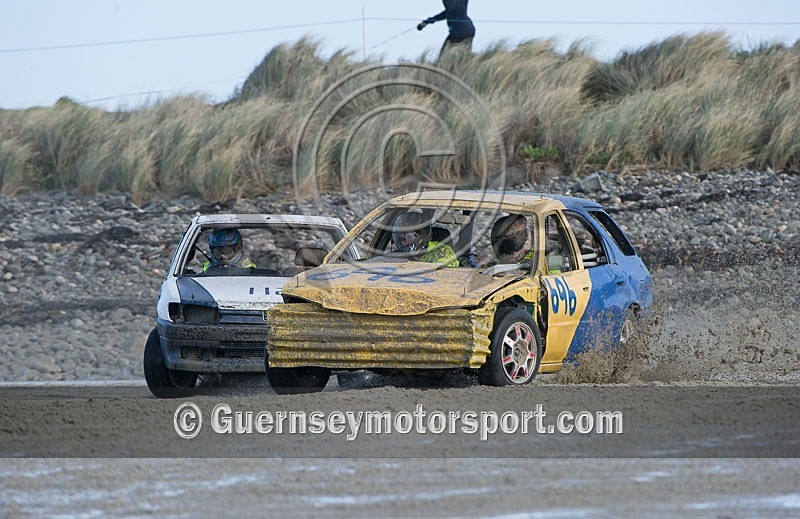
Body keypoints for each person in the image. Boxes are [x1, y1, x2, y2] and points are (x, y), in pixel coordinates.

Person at [392, 211, 459, 267]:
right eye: (400, 239)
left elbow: (445, 275)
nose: (403, 243)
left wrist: (414, 264)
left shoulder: (443, 251)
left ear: (421, 237)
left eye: (409, 237)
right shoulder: (395, 256)